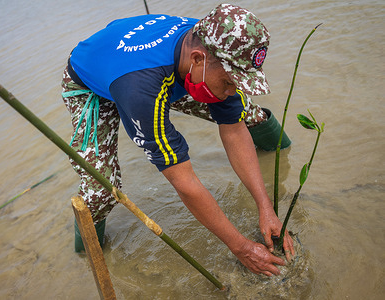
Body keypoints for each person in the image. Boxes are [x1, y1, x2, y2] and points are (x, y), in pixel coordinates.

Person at [61, 3, 295, 277]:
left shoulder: (216, 41)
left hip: (145, 65)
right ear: (197, 59)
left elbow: (233, 127)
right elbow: (184, 181)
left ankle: (284, 150)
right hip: (92, 84)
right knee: (101, 191)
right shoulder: (141, 91)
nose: (233, 89)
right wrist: (241, 246)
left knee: (247, 113)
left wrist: (266, 208)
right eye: (230, 81)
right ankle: (84, 258)